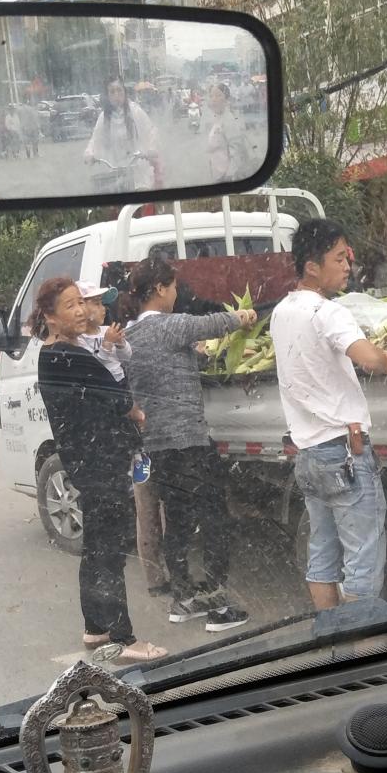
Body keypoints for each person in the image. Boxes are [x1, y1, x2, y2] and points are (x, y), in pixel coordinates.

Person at [269, 221, 387, 609]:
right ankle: (361, 641)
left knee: (323, 555)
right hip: (344, 454)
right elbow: (368, 359)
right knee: (363, 561)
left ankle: (331, 634)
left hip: (309, 454)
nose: (347, 266)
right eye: (339, 258)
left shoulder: (281, 311)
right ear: (312, 267)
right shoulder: (327, 312)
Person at [35, 276, 166, 664]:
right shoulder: (70, 356)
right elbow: (120, 397)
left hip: (86, 462)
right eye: (70, 305)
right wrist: (135, 413)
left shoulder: (52, 355)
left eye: (81, 302)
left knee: (95, 548)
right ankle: (123, 639)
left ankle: (95, 628)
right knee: (109, 552)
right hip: (101, 463)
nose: (81, 310)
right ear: (50, 317)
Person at [125, 255, 257, 631]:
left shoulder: (131, 336)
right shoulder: (169, 325)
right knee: (215, 518)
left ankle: (183, 599)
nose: (176, 294)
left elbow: (166, 368)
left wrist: (194, 356)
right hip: (189, 441)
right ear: (159, 289)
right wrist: (243, 316)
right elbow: (210, 323)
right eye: (173, 287)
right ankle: (218, 605)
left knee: (179, 521)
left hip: (158, 445)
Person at [74, 280, 170, 597]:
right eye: (94, 302)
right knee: (140, 504)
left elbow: (127, 358)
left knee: (151, 494)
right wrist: (106, 346)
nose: (101, 309)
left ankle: (163, 568)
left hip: (132, 421)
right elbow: (97, 375)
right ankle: (150, 576)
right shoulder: (78, 343)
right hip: (113, 426)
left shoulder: (108, 332)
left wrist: (119, 343)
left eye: (103, 303)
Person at [84, 79, 161, 191]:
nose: (116, 95)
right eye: (112, 92)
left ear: (124, 92)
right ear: (108, 96)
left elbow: (151, 131)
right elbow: (95, 139)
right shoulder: (104, 117)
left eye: (119, 90)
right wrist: (89, 154)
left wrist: (151, 149)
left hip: (138, 172)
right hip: (115, 174)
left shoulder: (135, 111)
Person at [207, 82, 248, 183]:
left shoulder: (229, 120)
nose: (214, 99)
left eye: (218, 95)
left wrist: (229, 177)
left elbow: (236, 152)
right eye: (211, 96)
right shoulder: (217, 120)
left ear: (226, 99)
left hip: (227, 178)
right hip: (218, 176)